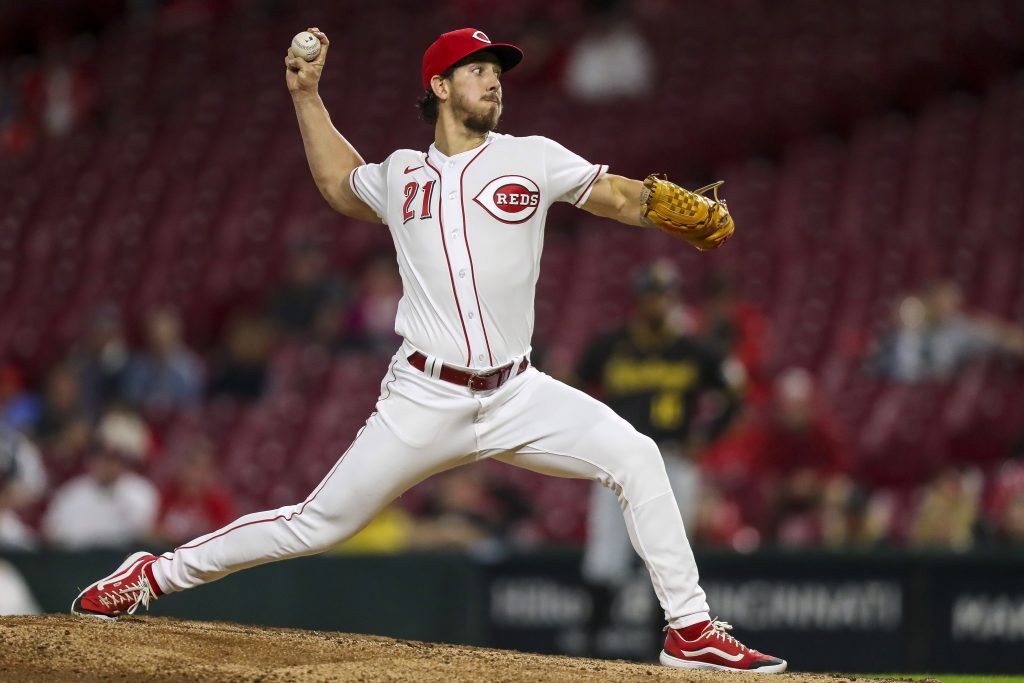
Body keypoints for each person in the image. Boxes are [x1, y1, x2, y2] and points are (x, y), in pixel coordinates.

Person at [71, 26, 784, 673]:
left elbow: (618, 196)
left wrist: (668, 210)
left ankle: (688, 628)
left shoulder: (532, 159)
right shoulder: (402, 174)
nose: (494, 80)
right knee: (318, 522)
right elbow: (338, 183)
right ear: (440, 87)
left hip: (516, 391)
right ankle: (153, 575)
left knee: (638, 455)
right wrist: (307, 95)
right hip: (423, 396)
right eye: (477, 70)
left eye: (498, 71)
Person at [574, 260, 742, 653]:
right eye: (652, 294)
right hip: (615, 462)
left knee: (668, 556)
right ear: (638, 299)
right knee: (605, 556)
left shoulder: (693, 349)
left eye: (665, 295)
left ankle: (662, 650)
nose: (659, 303)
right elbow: (573, 388)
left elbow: (736, 395)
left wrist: (706, 437)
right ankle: (589, 651)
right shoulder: (610, 345)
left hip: (673, 463)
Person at [43, 409, 158, 550]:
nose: (106, 463)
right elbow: (52, 539)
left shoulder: (140, 493)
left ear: (126, 460)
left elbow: (143, 537)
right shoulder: (71, 492)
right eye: (101, 454)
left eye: (114, 457)